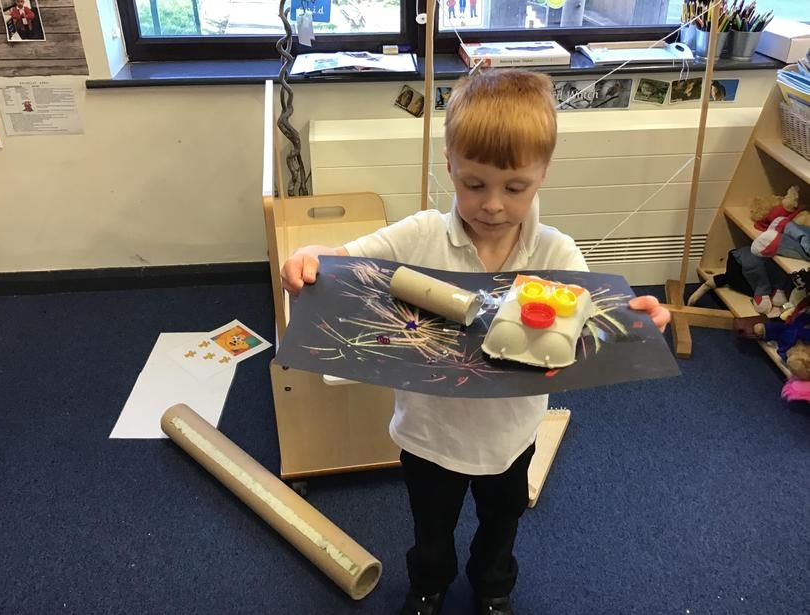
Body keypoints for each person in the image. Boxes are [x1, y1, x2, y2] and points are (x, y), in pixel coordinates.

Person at [280, 69, 671, 615]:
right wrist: (310, 256)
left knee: (502, 521)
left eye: (515, 188)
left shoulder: (556, 251)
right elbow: (347, 258)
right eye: (474, 184)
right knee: (431, 526)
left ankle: (493, 588)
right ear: (449, 166)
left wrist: (641, 321)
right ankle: (428, 585)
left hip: (510, 434)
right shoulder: (421, 234)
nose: (492, 205)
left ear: (542, 174)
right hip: (428, 432)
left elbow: (596, 321)